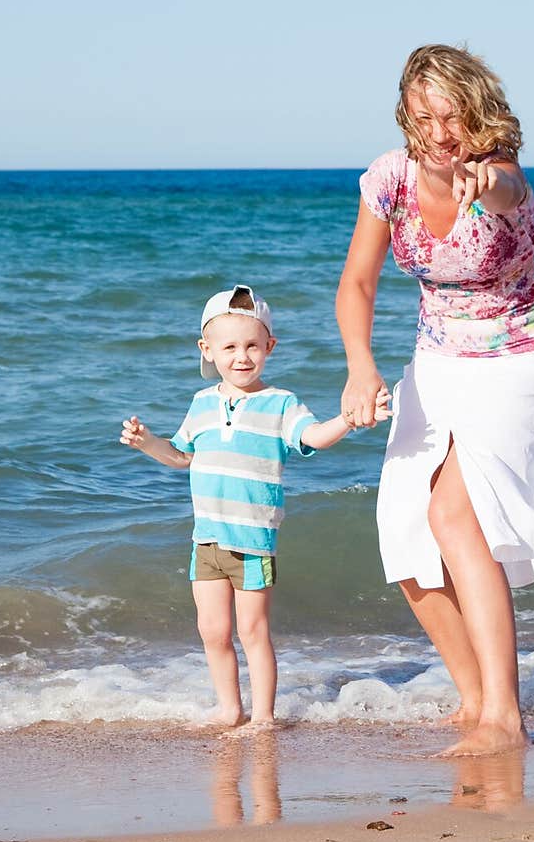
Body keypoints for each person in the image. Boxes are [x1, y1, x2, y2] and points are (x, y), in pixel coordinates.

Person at [336, 44, 534, 757]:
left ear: (475, 108)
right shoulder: (390, 178)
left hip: (518, 356)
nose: (439, 130)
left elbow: (505, 189)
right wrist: (361, 366)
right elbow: (357, 283)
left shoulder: (501, 172)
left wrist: (486, 179)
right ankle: (474, 697)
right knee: (404, 530)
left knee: (453, 512)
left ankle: (504, 719)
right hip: (439, 357)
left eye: (450, 113)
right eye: (423, 115)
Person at [120, 284, 389, 728]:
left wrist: (349, 419)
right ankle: (230, 709)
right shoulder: (202, 403)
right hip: (205, 537)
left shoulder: (280, 403)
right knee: (212, 631)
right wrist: (148, 443)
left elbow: (312, 438)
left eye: (251, 346)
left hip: (252, 540)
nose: (241, 356)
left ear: (270, 346)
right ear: (207, 350)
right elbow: (182, 456)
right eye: (229, 347)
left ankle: (263, 716)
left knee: (252, 631)